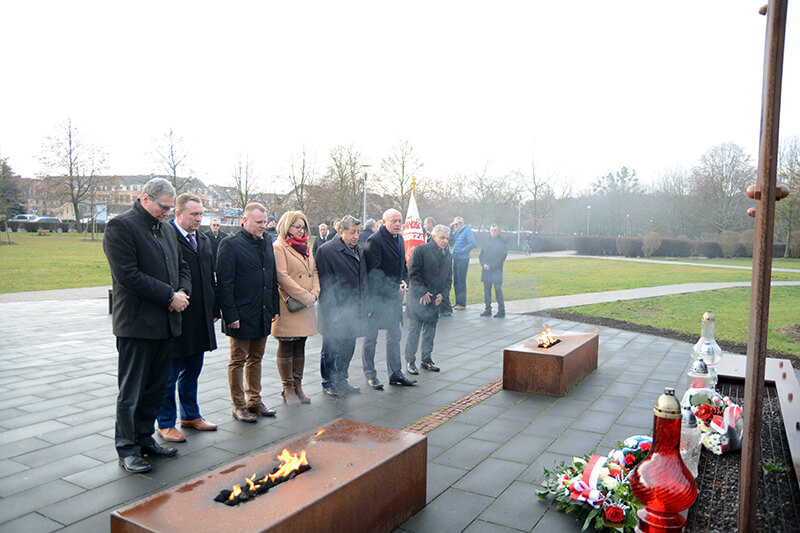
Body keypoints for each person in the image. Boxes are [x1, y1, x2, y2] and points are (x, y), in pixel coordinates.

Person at [103, 177, 190, 473]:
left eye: (169, 208)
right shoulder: (121, 227)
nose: (167, 213)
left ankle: (144, 438)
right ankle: (127, 448)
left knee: (155, 388)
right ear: (145, 199)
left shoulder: (165, 229)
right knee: (132, 391)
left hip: (165, 324)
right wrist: (169, 296)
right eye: (163, 207)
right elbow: (128, 275)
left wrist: (183, 292)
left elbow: (182, 265)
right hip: (136, 325)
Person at [156, 194, 219, 443]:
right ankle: (165, 423)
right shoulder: (166, 238)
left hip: (200, 317)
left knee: (193, 370)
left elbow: (210, 277)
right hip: (176, 316)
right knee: (170, 374)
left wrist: (214, 309)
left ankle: (190, 415)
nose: (199, 219)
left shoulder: (203, 240)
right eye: (194, 214)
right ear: (178, 214)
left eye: (201, 214)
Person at [216, 202, 280, 423]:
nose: (263, 226)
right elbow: (224, 283)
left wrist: (274, 307)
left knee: (256, 358)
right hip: (241, 315)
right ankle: (239, 405)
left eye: (264, 222)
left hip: (262, 311)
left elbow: (272, 277)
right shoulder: (230, 244)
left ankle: (255, 400)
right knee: (237, 360)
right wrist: (230, 315)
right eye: (258, 222)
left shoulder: (267, 242)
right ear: (244, 221)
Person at [362, 209, 417, 387]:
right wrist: (395, 287)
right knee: (371, 338)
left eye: (400, 220)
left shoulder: (400, 238)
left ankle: (395, 374)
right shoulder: (374, 240)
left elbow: (403, 265)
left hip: (394, 300)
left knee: (395, 335)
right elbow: (373, 273)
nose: (398, 224)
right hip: (376, 300)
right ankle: (370, 375)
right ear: (384, 222)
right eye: (393, 221)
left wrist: (404, 281)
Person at [315, 215, 368, 396]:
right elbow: (325, 285)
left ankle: (342, 380)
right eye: (352, 232)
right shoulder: (326, 251)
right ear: (341, 232)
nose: (356, 236)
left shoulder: (359, 250)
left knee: (348, 347)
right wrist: (333, 313)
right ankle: (328, 383)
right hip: (335, 311)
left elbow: (363, 279)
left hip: (354, 309)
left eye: (358, 232)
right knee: (330, 349)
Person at [271, 211, 319, 405]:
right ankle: (288, 388)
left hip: (306, 304)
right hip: (289, 305)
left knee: (300, 345)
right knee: (287, 345)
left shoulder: (306, 246)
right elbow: (282, 276)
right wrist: (306, 296)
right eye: (297, 227)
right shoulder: (279, 247)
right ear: (286, 226)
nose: (301, 231)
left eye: (303, 227)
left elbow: (314, 271)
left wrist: (315, 292)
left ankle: (298, 386)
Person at [404, 224, 452, 375]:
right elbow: (413, 273)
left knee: (430, 331)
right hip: (418, 299)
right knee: (414, 331)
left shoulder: (448, 255)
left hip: (435, 300)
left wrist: (443, 295)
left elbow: (449, 279)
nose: (445, 241)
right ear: (434, 236)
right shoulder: (421, 250)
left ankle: (426, 359)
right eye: (442, 238)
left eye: (447, 238)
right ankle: (410, 361)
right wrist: (423, 292)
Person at [479, 224, 508, 318]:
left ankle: (501, 310)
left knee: (498, 290)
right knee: (487, 291)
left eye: (495, 230)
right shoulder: (486, 242)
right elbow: (481, 255)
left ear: (499, 231)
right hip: (486, 271)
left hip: (496, 271)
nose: (493, 232)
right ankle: (487, 309)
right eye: (491, 230)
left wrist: (491, 266)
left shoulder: (502, 243)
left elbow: (502, 258)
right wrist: (483, 264)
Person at [450, 216, 476, 310]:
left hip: (463, 259)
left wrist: (461, 251)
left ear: (461, 223)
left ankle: (462, 303)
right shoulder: (457, 232)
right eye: (454, 224)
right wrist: (451, 228)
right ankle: (458, 302)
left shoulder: (467, 231)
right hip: (456, 259)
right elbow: (450, 238)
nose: (455, 226)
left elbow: (472, 244)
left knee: (461, 281)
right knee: (456, 281)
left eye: (456, 224)